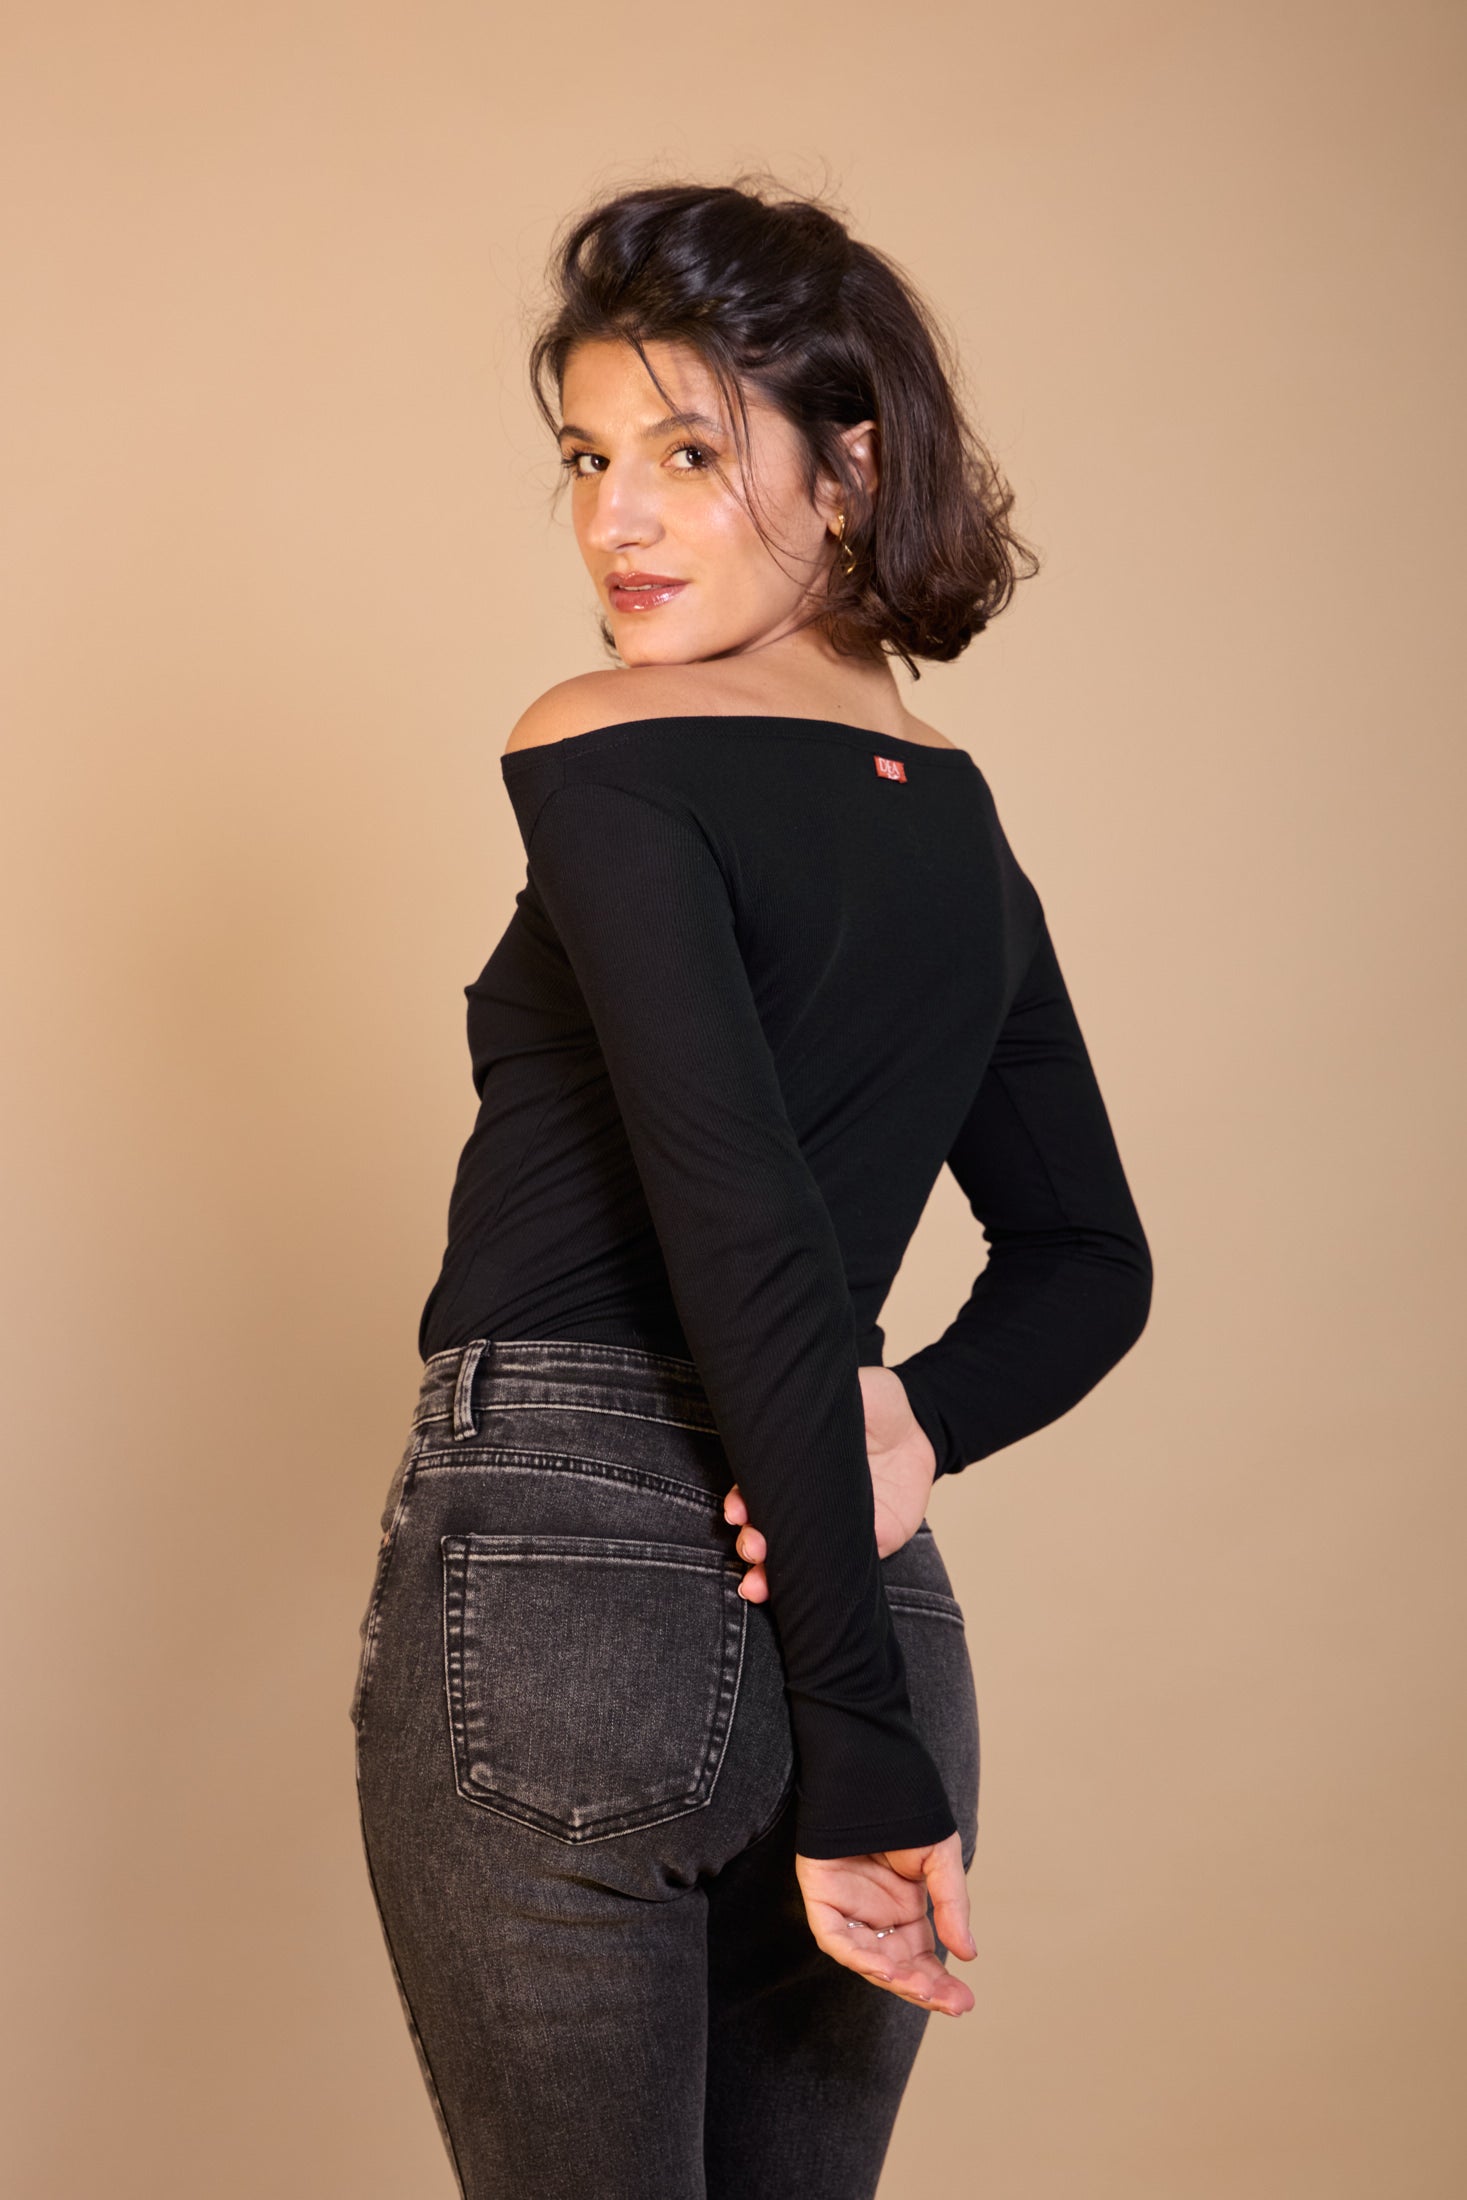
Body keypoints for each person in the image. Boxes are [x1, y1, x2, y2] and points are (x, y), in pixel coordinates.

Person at [350, 175, 1153, 2200]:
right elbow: (1088, 1261)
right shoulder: (954, 820)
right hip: (854, 1574)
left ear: (847, 466)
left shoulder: (606, 743)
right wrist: (910, 1428)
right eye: (586, 459)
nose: (614, 519)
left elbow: (740, 1224)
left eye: (689, 455)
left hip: (572, 1583)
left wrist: (854, 1728)